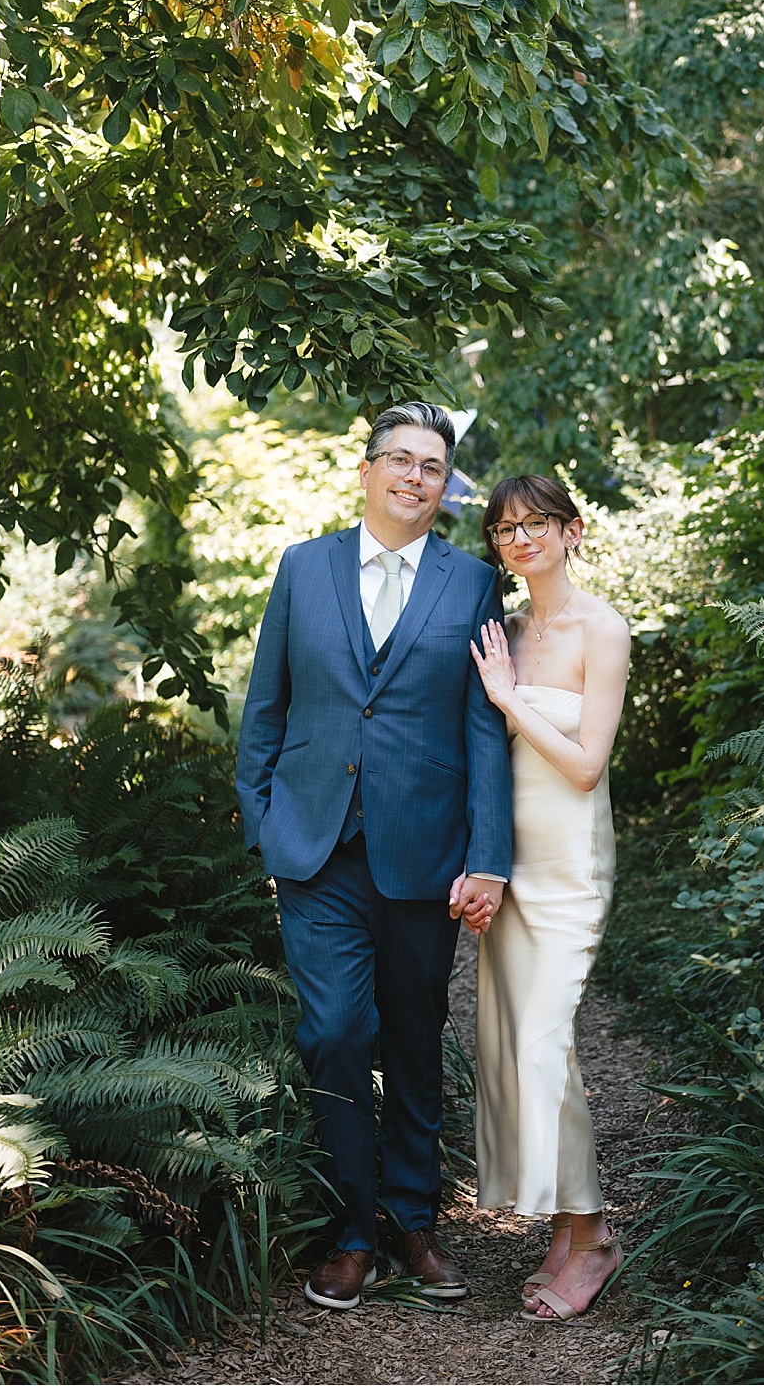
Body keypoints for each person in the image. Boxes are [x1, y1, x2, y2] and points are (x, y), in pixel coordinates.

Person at [236, 401, 513, 1311]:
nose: (414, 477)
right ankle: (353, 1229)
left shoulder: (471, 583)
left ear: (445, 486)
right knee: (335, 1034)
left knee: (414, 1036)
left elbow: (483, 732)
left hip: (424, 854)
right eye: (399, 460)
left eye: (432, 467)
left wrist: (487, 856)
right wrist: (265, 825)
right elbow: (264, 712)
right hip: (316, 850)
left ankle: (413, 1219)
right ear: (366, 471)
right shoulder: (302, 568)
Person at [457, 474, 631, 1324]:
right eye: (504, 530)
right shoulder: (508, 631)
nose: (520, 538)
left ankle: (595, 1234)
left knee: (542, 1038)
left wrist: (509, 698)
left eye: (537, 523)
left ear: (572, 529)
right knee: (513, 1045)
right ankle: (566, 1227)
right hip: (508, 863)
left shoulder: (603, 627)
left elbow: (586, 763)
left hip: (569, 863)